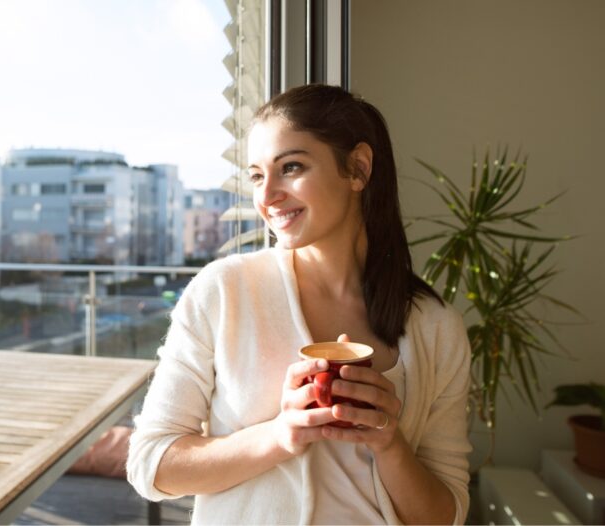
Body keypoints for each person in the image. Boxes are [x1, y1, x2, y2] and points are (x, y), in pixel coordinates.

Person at [127, 84, 472, 525]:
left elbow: (446, 517)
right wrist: (280, 435)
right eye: (255, 175)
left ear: (358, 168)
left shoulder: (435, 328)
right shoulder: (225, 291)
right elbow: (150, 465)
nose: (266, 196)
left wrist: (391, 442)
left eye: (290, 167)